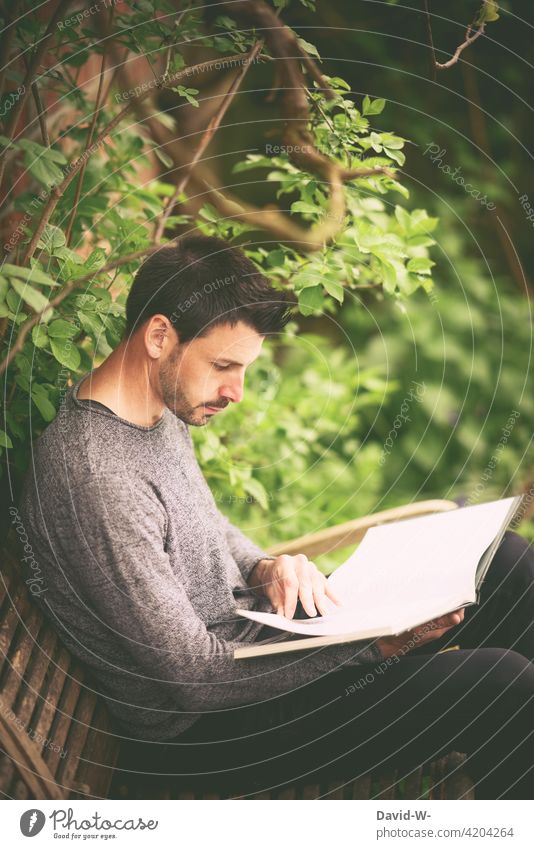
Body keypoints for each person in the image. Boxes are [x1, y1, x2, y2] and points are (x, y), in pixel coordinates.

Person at [19, 235, 534, 800]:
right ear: (160, 336)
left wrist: (266, 566)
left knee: (502, 564)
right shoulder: (96, 477)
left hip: (261, 647)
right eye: (223, 366)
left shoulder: (154, 409)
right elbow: (194, 678)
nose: (235, 391)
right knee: (506, 686)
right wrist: (370, 646)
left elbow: (208, 526)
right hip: (212, 738)